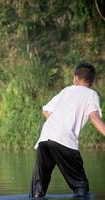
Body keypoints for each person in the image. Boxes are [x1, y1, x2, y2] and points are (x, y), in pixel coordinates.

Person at [29, 61, 105, 198]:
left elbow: (46, 110)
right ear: (91, 81)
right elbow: (94, 118)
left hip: (45, 138)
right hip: (64, 140)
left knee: (38, 190)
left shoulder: (66, 90)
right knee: (81, 189)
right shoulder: (91, 94)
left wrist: (57, 124)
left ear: (75, 78)